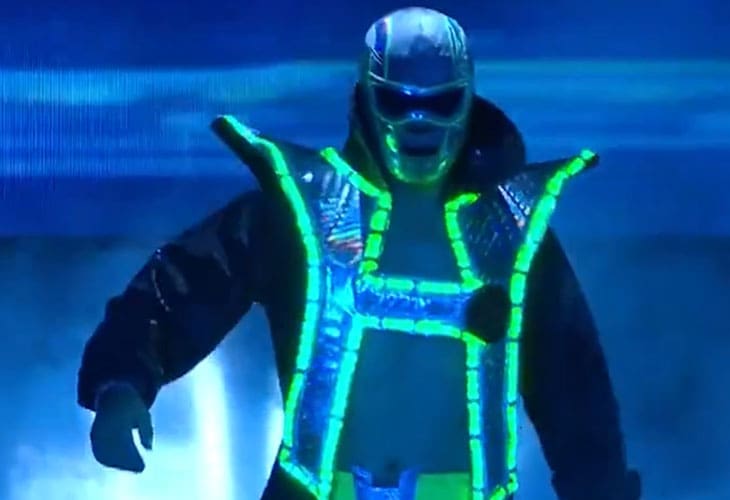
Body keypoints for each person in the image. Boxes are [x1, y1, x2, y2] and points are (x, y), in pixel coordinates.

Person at [78, 6, 641, 500]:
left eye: (439, 102)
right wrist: (122, 382)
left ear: (467, 98)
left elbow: (575, 385)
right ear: (368, 97)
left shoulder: (511, 231)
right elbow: (182, 285)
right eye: (399, 101)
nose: (418, 122)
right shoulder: (302, 210)